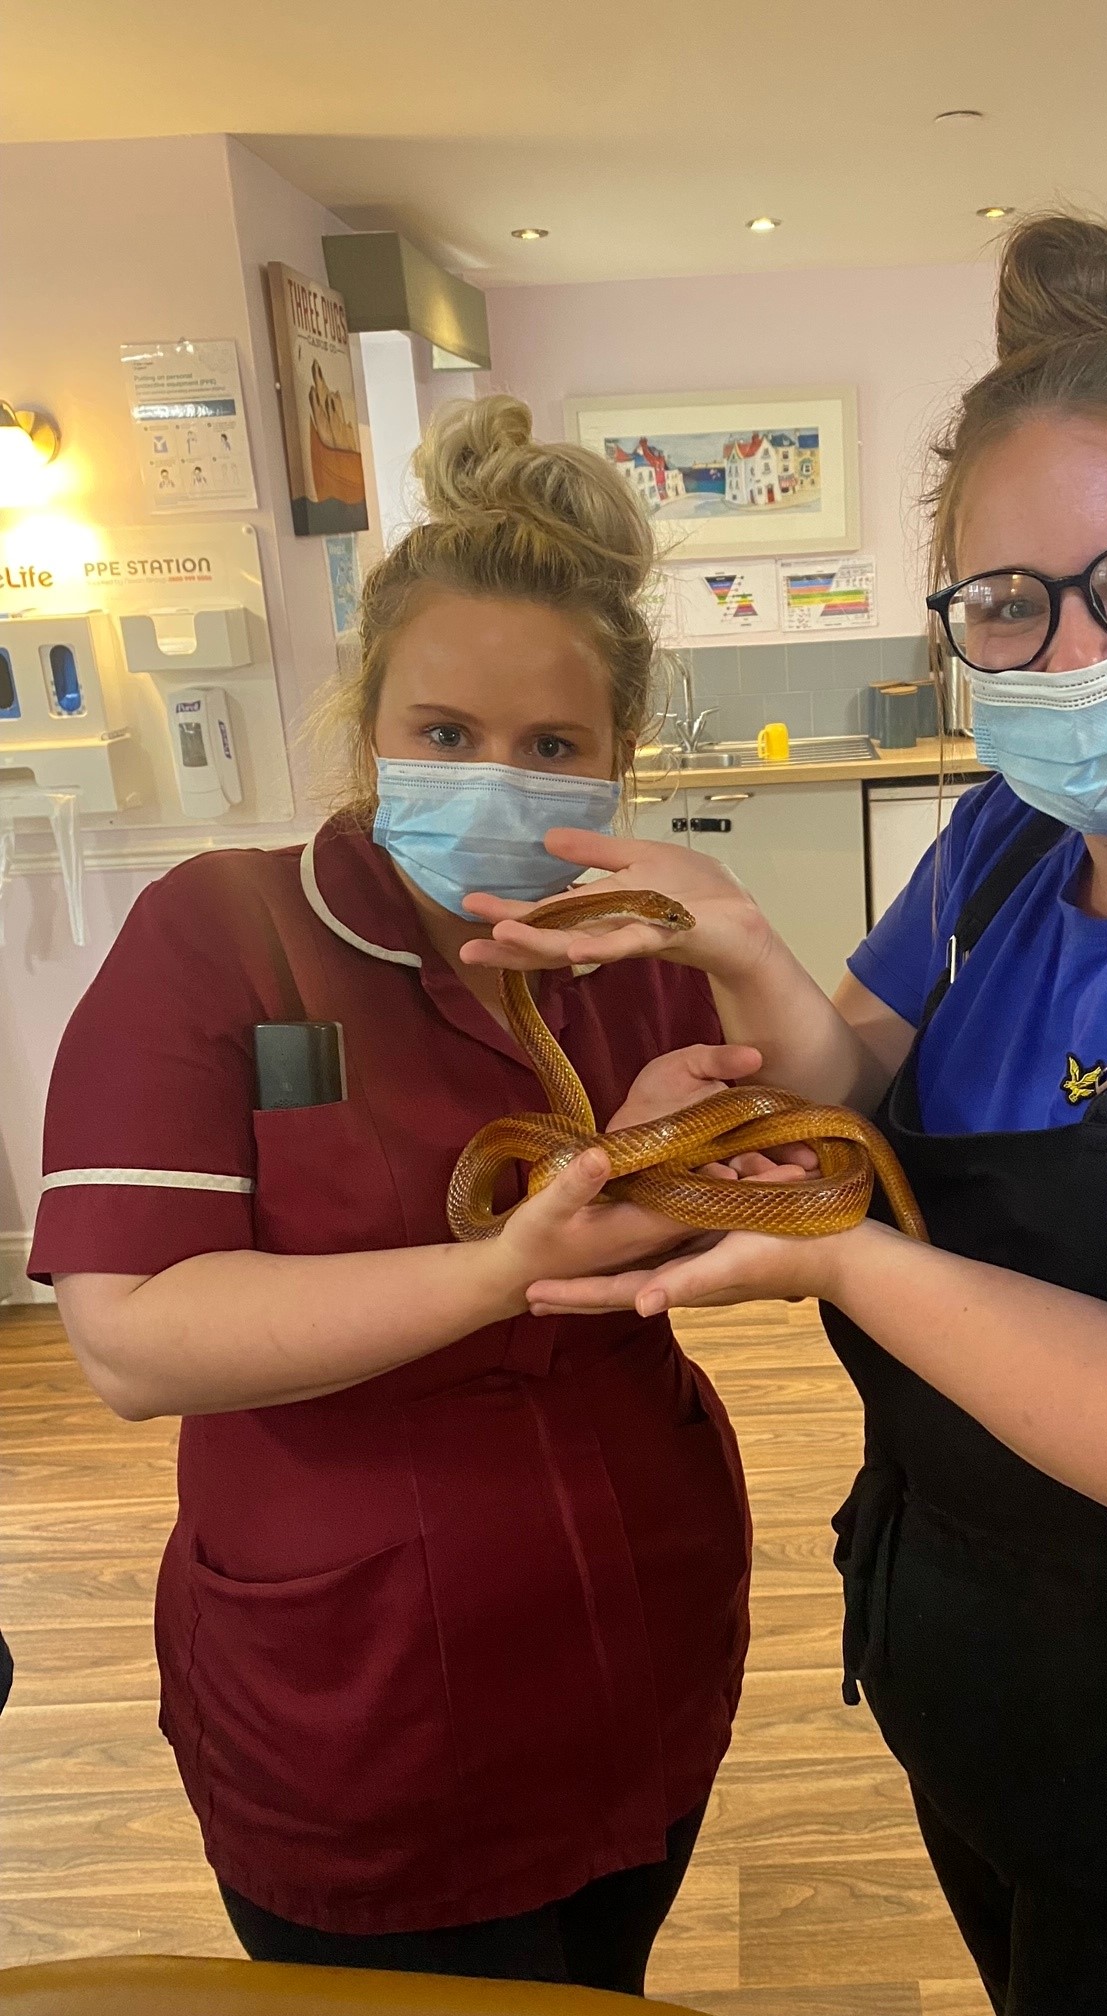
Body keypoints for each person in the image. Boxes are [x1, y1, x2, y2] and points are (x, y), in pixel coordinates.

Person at [485, 217, 1107, 2011]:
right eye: (1011, 604)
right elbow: (851, 1086)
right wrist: (735, 956)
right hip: (1037, 1699)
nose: (1072, 649)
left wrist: (843, 1258)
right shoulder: (1014, 845)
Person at [29, 397, 762, 1990]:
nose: (494, 778)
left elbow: (761, 1181)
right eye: (443, 733)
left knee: (606, 1988)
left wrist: (680, 1158)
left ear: (619, 761)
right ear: (368, 722)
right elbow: (131, 1340)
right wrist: (502, 1266)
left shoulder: (634, 946)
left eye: (551, 748)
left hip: (642, 1639)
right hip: (363, 1710)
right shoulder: (222, 937)